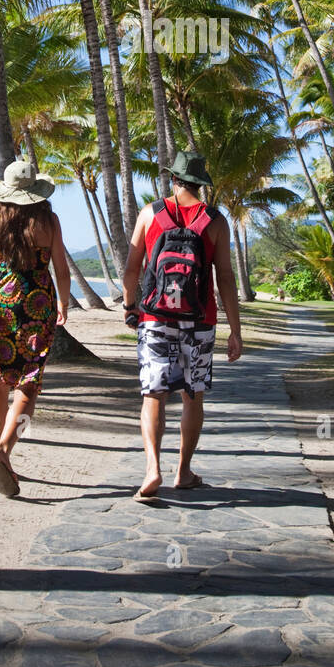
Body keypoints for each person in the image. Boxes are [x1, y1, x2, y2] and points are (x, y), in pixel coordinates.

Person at [121, 149, 243, 502]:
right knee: (192, 396)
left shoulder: (150, 214)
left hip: (156, 317)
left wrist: (130, 307)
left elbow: (131, 269)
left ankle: (151, 468)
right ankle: (183, 471)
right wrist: (235, 330)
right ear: (200, 184)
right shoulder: (216, 221)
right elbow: (226, 279)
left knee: (153, 394)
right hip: (199, 320)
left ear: (173, 179)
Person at [0, 159, 70, 498]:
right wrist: (63, 302)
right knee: (28, 387)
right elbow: (62, 270)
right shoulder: (49, 221)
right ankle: (4, 451)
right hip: (35, 309)